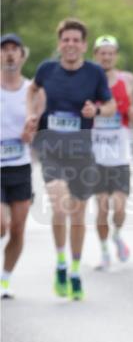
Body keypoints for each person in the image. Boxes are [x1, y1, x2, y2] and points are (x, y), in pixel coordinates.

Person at [24, 19, 115, 301]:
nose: (71, 45)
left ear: (84, 45)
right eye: (66, 40)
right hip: (52, 149)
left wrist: (96, 111)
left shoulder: (95, 73)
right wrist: (31, 113)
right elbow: (31, 90)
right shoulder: (47, 69)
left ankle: (74, 270)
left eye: (76, 40)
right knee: (59, 207)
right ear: (59, 43)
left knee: (77, 215)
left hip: (82, 152)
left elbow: (110, 106)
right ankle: (61, 263)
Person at [92, 35, 133, 270]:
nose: (106, 56)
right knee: (101, 208)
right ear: (95, 55)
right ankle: (104, 252)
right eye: (102, 52)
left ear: (115, 55)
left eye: (110, 52)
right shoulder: (88, 81)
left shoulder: (127, 79)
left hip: (120, 156)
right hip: (96, 158)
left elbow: (132, 111)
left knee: (119, 208)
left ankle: (117, 236)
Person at [0, 34, 35, 299]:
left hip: (21, 166)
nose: (10, 54)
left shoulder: (32, 90)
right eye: (5, 50)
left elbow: (41, 123)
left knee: (18, 228)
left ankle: (5, 279)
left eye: (15, 50)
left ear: (23, 56)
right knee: (1, 224)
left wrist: (32, 132)